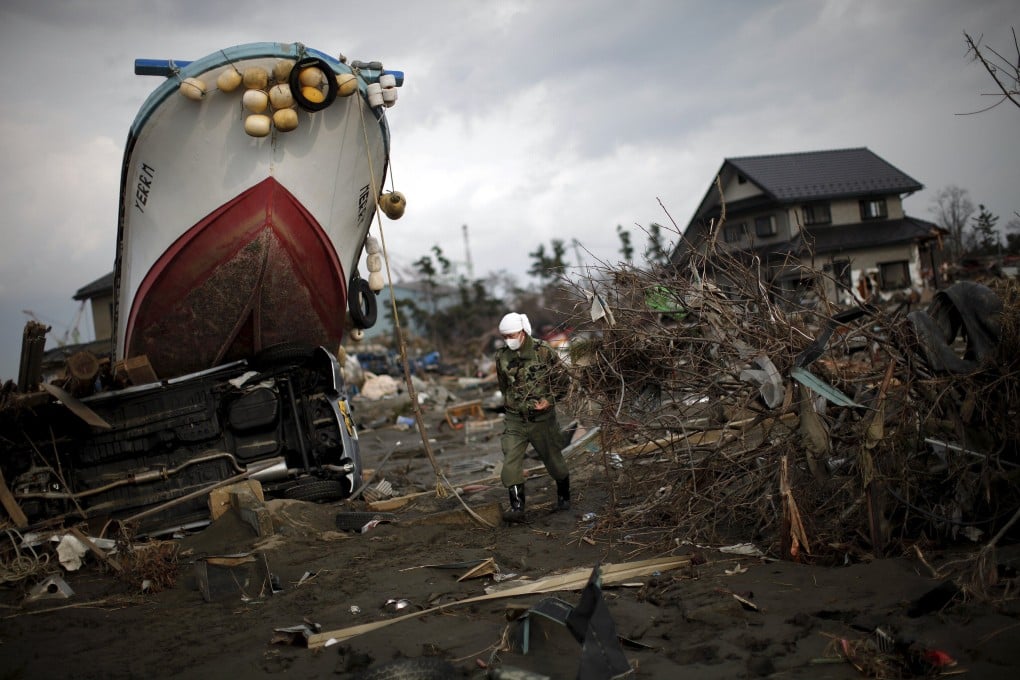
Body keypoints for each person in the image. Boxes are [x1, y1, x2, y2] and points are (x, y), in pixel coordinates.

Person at [495, 312, 571, 522]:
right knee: (510, 459)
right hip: (515, 419)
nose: (508, 340)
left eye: (512, 335)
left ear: (522, 332)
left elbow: (563, 381)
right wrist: (512, 404)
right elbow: (503, 385)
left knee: (553, 460)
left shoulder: (543, 351)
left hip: (542, 419)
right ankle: (517, 507)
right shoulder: (501, 356)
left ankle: (564, 498)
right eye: (505, 336)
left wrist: (549, 399)